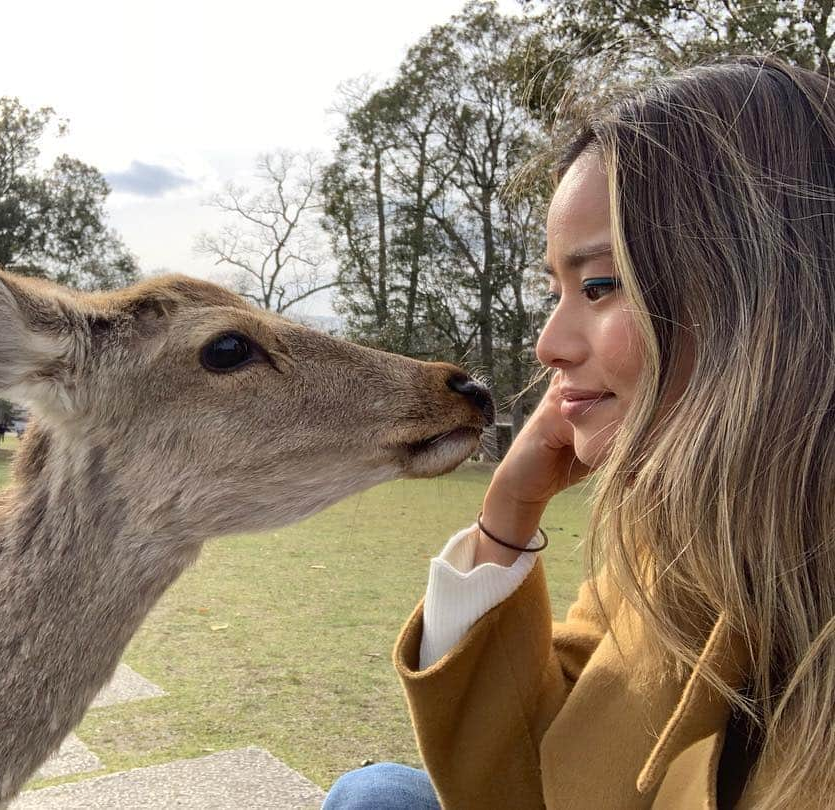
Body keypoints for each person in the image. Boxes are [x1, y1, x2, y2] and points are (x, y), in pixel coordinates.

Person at [323, 57, 834, 810]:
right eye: (554, 289)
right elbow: (528, 775)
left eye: (600, 285)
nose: (548, 344)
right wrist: (507, 513)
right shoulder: (669, 537)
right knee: (374, 793)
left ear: (766, 296)